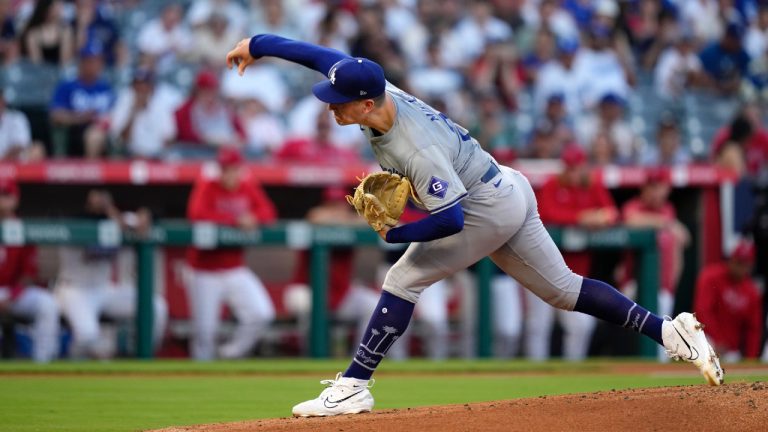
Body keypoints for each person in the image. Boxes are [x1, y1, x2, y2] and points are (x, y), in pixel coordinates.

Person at [226, 34, 724, 417]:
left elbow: (451, 219)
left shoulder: (414, 148)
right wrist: (258, 46)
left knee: (402, 277)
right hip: (505, 182)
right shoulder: (374, 86)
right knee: (564, 290)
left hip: (483, 204)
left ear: (368, 104)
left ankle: (354, 387)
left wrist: (396, 234)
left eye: (338, 101)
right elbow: (319, 54)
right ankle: (672, 332)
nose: (329, 105)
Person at [185, 147, 276, 360]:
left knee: (261, 313)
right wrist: (234, 220)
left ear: (239, 168)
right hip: (203, 269)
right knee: (205, 332)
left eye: (232, 169)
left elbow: (268, 212)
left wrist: (253, 217)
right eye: (224, 169)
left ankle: (228, 354)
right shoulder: (207, 185)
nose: (228, 174)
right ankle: (200, 377)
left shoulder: (247, 185)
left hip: (234, 268)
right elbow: (197, 214)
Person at [55, 189, 167, 359]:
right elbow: (89, 223)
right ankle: (71, 369)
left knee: (157, 307)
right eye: (96, 197)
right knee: (88, 335)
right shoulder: (77, 219)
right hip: (74, 290)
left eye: (104, 197)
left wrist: (147, 214)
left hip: (104, 289)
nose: (100, 200)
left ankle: (141, 358)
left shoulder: (115, 219)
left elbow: (153, 218)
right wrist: (112, 216)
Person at [531, 145, 617, 361]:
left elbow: (612, 213)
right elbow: (547, 213)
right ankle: (532, 379)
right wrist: (582, 217)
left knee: (581, 325)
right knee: (538, 326)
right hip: (541, 269)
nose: (573, 174)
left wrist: (601, 217)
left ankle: (571, 380)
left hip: (575, 274)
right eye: (569, 168)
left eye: (577, 168)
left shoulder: (593, 185)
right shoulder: (553, 184)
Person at [0, 179, 59, 362]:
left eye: (6, 195)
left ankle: (42, 364)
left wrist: (12, 296)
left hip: (13, 292)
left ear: (15, 199)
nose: (2, 200)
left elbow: (29, 273)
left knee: (47, 304)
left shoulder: (23, 229)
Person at [621, 168, 690, 321]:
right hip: (634, 285)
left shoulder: (668, 210)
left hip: (663, 287)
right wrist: (666, 223)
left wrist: (672, 285)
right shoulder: (634, 206)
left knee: (660, 337)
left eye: (659, 186)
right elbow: (631, 220)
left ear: (667, 189)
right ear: (643, 188)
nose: (654, 191)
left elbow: (684, 239)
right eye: (651, 186)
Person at [693, 240, 762, 362]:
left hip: (731, 350)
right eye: (738, 262)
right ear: (731, 260)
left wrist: (751, 359)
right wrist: (717, 339)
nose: (740, 268)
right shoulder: (711, 276)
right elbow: (702, 311)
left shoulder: (751, 291)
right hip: (706, 338)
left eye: (745, 264)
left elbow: (753, 329)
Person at [49, 45, 114, 158]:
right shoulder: (68, 87)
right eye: (91, 61)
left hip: (106, 133)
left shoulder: (106, 88)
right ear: (82, 63)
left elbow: (116, 113)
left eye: (98, 61)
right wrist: (81, 118)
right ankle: (91, 173)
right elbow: (55, 115)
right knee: (94, 136)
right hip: (75, 133)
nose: (96, 65)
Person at [109, 68, 176, 159]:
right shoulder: (124, 102)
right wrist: (134, 112)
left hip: (156, 156)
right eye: (137, 85)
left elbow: (169, 137)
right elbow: (121, 140)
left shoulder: (160, 104)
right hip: (129, 155)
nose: (141, 89)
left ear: (151, 87)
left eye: (145, 85)